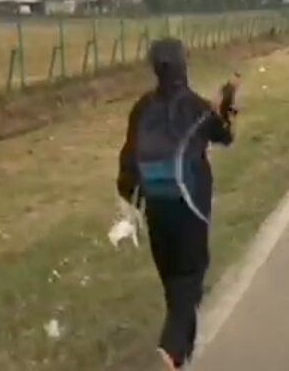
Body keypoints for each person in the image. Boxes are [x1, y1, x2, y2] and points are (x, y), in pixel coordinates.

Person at [116, 38, 235, 371]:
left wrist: (131, 202)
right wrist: (227, 105)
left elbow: (128, 161)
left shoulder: (141, 108)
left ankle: (181, 353)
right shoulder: (197, 106)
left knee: (173, 281)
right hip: (190, 205)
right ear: (184, 64)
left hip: (156, 206)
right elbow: (225, 135)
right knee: (190, 277)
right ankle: (171, 349)